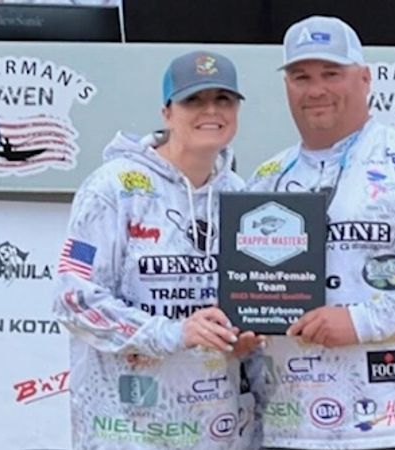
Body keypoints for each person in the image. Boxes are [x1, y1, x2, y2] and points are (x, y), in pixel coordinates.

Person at [247, 15, 395, 450]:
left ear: (364, 79)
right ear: (286, 86)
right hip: (291, 427)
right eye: (301, 76)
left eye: (331, 74)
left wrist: (361, 321)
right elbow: (246, 292)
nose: (316, 89)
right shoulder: (266, 179)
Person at [53, 50, 263, 450]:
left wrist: (247, 337)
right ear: (167, 112)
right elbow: (73, 297)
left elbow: (252, 302)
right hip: (124, 429)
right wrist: (172, 332)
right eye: (194, 100)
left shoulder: (242, 197)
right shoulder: (111, 189)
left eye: (223, 99)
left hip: (219, 432)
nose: (211, 111)